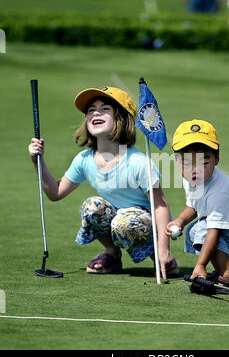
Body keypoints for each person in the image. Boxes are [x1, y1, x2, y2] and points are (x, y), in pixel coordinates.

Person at [28, 86, 179, 279]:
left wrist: (164, 248)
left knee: (125, 222)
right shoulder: (84, 159)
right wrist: (37, 161)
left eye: (105, 108)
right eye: (91, 110)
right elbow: (55, 192)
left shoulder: (138, 162)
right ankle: (112, 254)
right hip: (117, 220)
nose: (96, 112)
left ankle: (158, 256)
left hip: (146, 224)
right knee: (92, 206)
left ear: (122, 119)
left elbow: (160, 206)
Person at [166, 119, 229, 293]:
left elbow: (213, 230)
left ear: (217, 159)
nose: (195, 169)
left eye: (204, 162)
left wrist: (200, 265)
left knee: (203, 230)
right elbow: (194, 205)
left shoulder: (219, 191)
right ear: (177, 161)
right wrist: (180, 221)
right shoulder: (193, 180)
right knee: (194, 231)